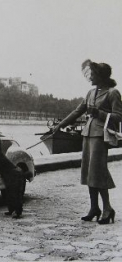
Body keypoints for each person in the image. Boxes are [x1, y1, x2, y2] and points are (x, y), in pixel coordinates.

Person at [53, 59, 122, 224]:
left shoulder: (113, 93)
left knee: (98, 172)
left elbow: (119, 116)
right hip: (87, 135)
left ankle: (107, 208)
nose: (90, 78)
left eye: (93, 75)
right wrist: (60, 125)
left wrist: (99, 113)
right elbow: (78, 111)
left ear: (101, 76)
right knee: (88, 172)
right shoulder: (91, 93)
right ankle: (94, 208)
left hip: (100, 136)